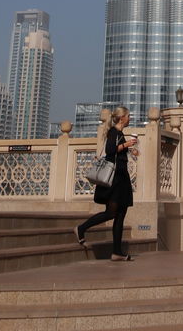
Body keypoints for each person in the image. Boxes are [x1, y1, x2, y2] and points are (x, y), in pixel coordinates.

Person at [75, 106, 138, 260]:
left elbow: (117, 151)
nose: (130, 118)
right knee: (111, 213)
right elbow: (110, 150)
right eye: (128, 116)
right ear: (122, 118)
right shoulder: (114, 132)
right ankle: (81, 228)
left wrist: (131, 151)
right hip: (115, 179)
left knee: (121, 215)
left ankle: (117, 252)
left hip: (122, 178)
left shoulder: (120, 134)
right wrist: (126, 145)